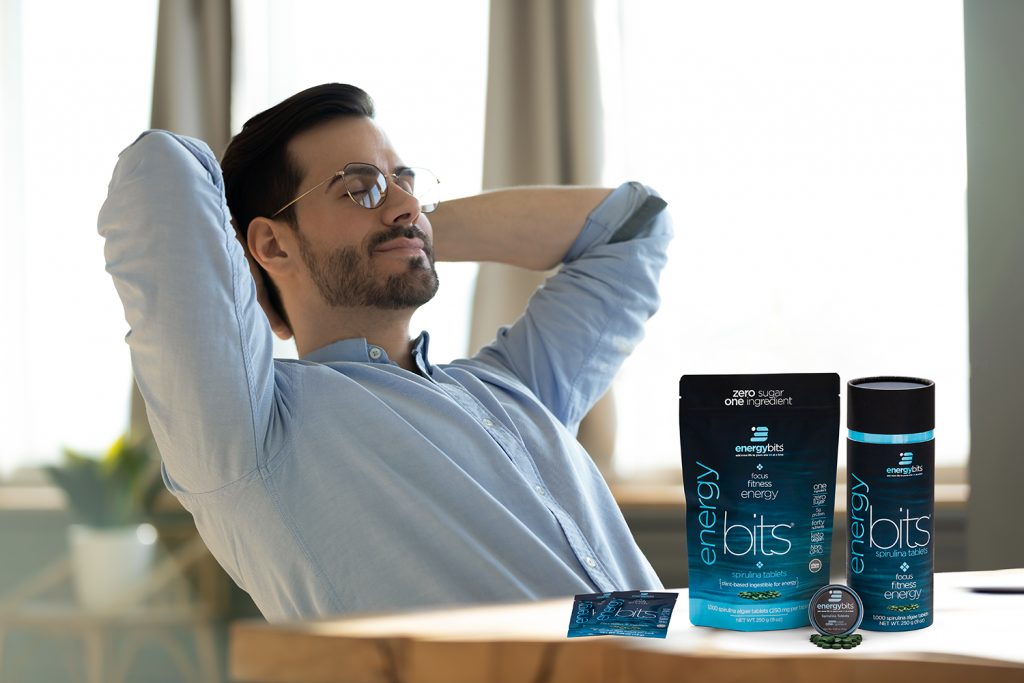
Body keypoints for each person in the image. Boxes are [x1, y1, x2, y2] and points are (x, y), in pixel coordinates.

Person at [99, 83, 672, 623]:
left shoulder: (514, 388)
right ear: (271, 243)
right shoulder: (251, 432)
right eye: (358, 187)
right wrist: (284, 274)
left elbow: (635, 228)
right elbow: (161, 173)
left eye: (405, 183)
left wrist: (409, 229)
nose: (404, 202)